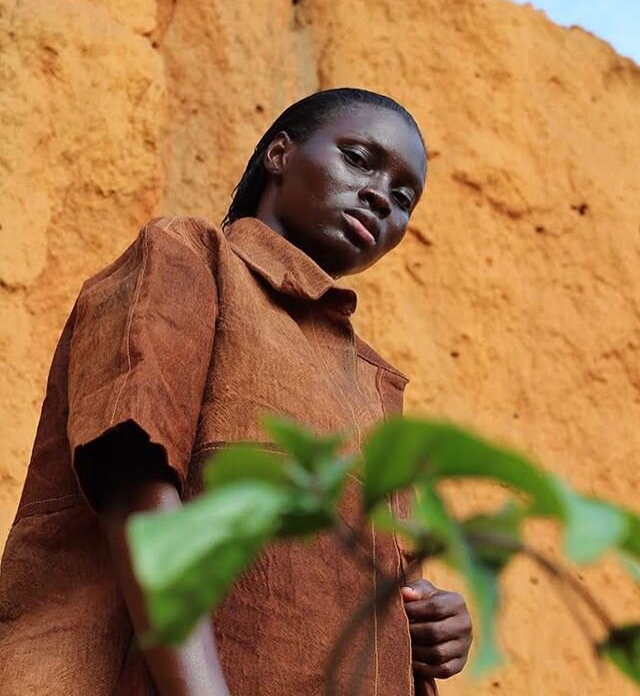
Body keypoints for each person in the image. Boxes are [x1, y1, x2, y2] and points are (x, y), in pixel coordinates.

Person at [0, 88, 472, 695]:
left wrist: (433, 626)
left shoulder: (377, 392)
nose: (382, 196)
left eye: (404, 197)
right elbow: (132, 479)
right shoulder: (190, 258)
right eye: (358, 158)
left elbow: (368, 590)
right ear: (279, 154)